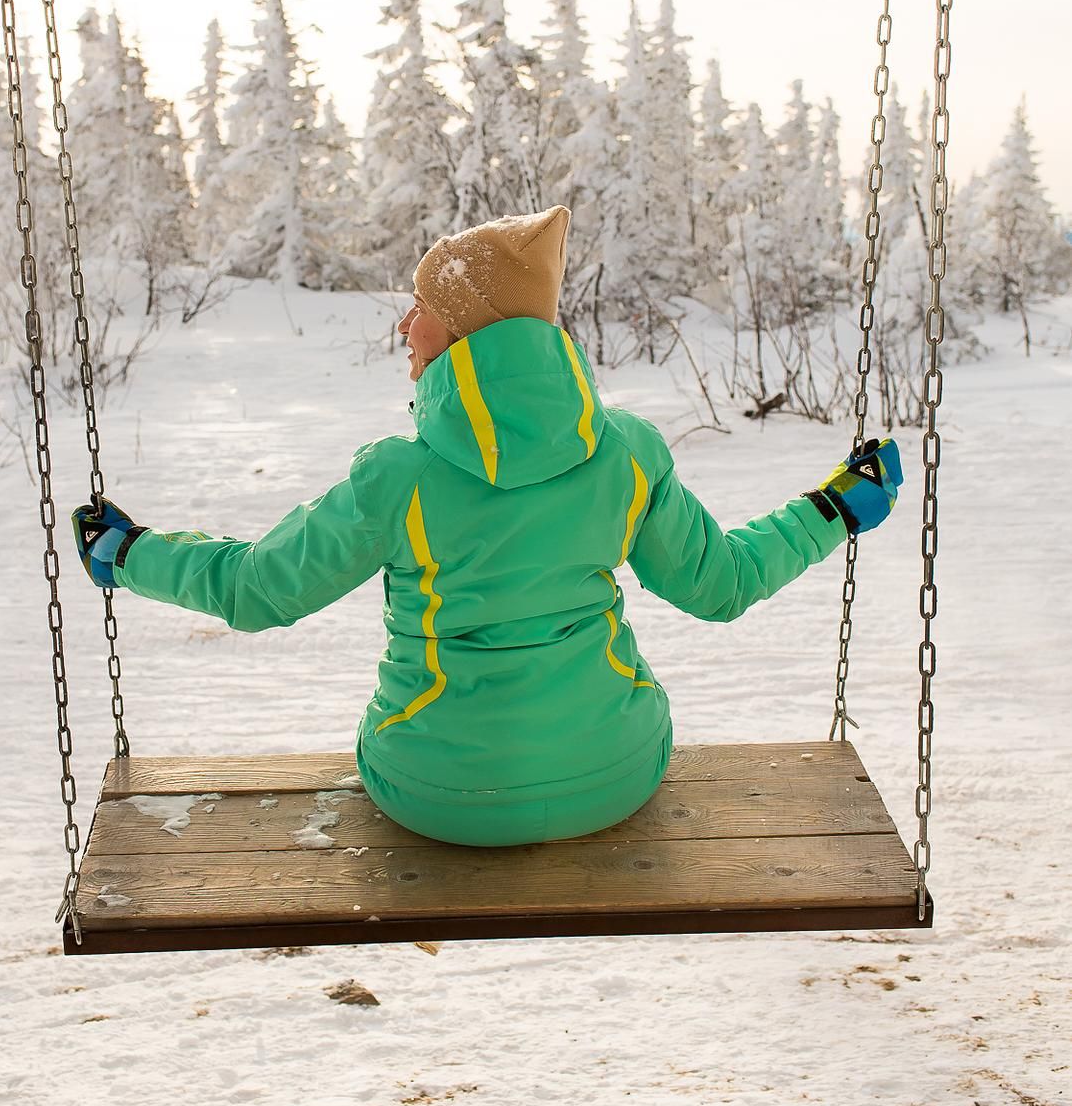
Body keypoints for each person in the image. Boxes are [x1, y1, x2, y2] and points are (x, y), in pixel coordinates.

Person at [72, 206, 901, 848]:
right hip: (615, 774)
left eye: (422, 307)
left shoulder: (397, 479)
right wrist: (833, 508)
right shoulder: (626, 455)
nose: (405, 326)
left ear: (466, 327)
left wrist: (132, 555)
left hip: (432, 793)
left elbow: (256, 591)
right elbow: (722, 586)